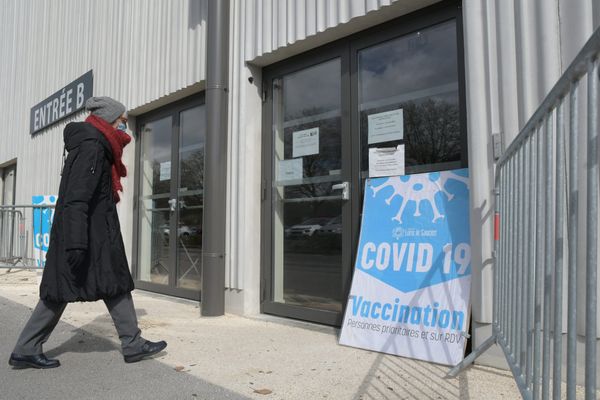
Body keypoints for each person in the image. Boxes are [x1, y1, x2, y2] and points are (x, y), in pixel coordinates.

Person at [8, 96, 167, 369]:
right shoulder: (93, 147)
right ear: (109, 120)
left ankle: (133, 343)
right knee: (59, 291)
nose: (125, 129)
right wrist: (76, 242)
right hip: (84, 234)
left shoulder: (95, 146)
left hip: (95, 232)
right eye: (122, 122)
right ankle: (25, 348)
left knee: (115, 283)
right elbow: (77, 198)